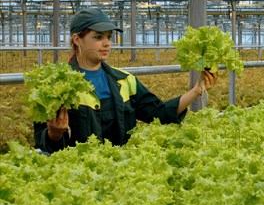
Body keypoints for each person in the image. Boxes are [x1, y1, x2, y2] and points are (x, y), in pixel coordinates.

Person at [34, 8, 217, 154]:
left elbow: (159, 113)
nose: (107, 43)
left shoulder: (124, 80)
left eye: (109, 37)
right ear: (77, 39)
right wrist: (54, 134)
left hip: (119, 171)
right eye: (98, 37)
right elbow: (43, 142)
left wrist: (196, 91)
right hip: (77, 179)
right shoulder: (56, 86)